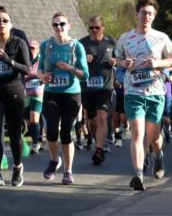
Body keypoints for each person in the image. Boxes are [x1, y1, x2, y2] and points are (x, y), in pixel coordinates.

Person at [114, 0, 172, 191]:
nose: (146, 16)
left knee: (154, 136)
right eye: (143, 13)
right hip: (133, 92)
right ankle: (138, 174)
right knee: (137, 134)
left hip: (155, 92)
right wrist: (124, 63)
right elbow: (116, 59)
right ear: (136, 15)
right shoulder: (125, 38)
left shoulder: (161, 37)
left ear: (154, 16)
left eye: (150, 14)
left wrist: (157, 63)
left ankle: (157, 155)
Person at [0, 7, 32, 187]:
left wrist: (8, 60)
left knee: (15, 132)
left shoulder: (18, 43)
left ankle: (18, 167)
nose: (1, 24)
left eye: (4, 21)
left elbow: (27, 69)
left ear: (10, 24)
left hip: (14, 91)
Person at [38, 13, 89, 184]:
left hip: (71, 94)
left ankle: (68, 171)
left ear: (69, 25)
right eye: (55, 25)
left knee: (67, 132)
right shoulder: (46, 45)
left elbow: (85, 75)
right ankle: (54, 160)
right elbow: (38, 70)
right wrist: (43, 76)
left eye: (62, 24)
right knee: (51, 129)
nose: (59, 28)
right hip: (51, 93)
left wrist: (69, 68)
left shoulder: (77, 47)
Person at [79, 15, 116, 165]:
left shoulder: (111, 42)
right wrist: (82, 60)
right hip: (87, 87)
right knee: (92, 120)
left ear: (103, 27)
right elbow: (73, 63)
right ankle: (97, 143)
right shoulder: (82, 44)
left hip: (105, 86)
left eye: (97, 27)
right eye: (91, 28)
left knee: (102, 116)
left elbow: (121, 59)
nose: (94, 30)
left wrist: (115, 61)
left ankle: (99, 150)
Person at [24, 39, 45, 155]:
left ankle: (35, 144)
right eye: (29, 48)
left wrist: (42, 78)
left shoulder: (42, 60)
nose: (31, 50)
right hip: (27, 93)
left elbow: (47, 73)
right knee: (29, 120)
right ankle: (38, 140)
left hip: (39, 93)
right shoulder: (25, 60)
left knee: (34, 116)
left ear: (37, 49)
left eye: (33, 48)